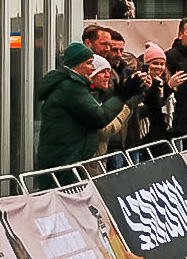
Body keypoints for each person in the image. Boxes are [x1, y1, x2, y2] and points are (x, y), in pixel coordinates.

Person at [35, 42, 124, 170]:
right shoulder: (71, 87)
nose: (92, 68)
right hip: (65, 164)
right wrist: (122, 98)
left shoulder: (75, 86)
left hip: (70, 161)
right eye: (89, 63)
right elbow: (100, 118)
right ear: (77, 64)